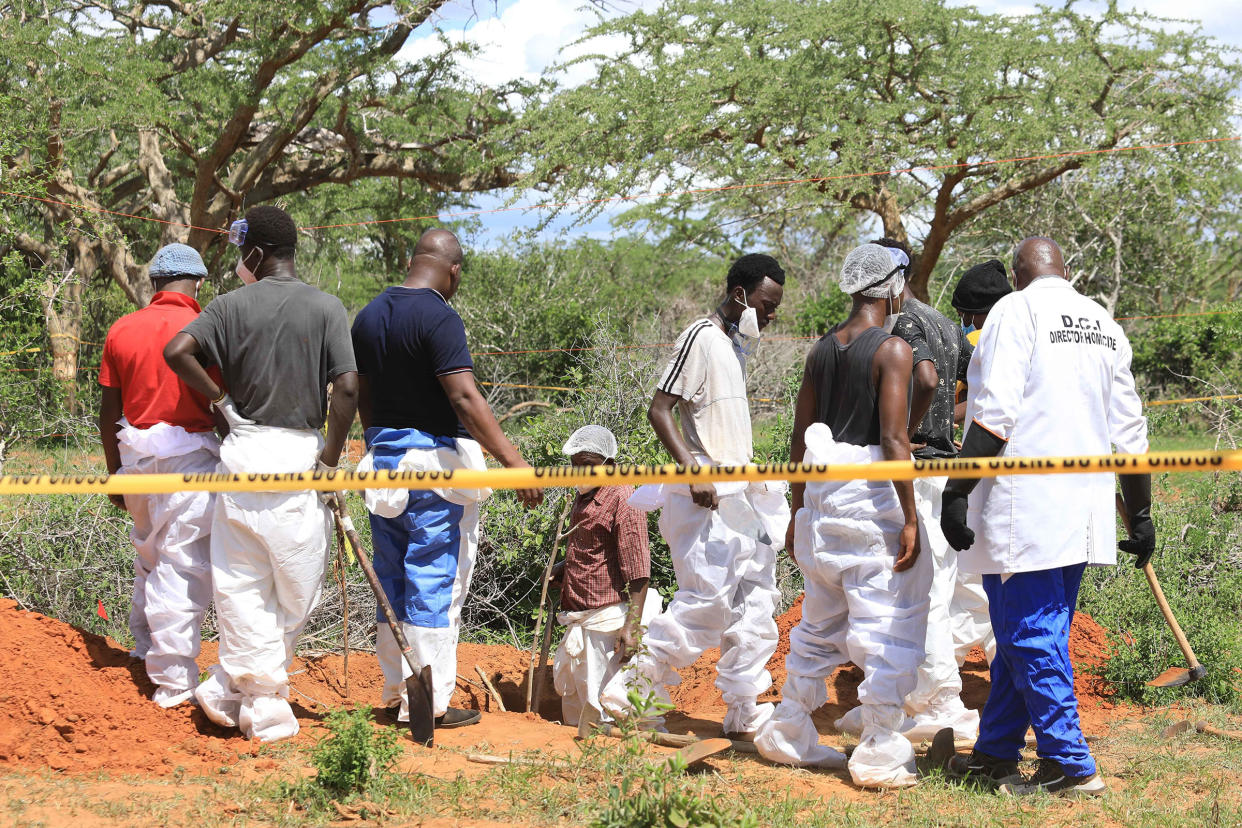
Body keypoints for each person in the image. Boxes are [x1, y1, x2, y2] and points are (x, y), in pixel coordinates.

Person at [937, 237, 1151, 796]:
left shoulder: (1015, 309)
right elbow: (1129, 430)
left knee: (1029, 634)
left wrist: (957, 489)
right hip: (1081, 512)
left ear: (1016, 274)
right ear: (1067, 269)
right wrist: (1142, 513)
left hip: (1023, 509)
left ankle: (1070, 764)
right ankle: (994, 755)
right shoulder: (1102, 321)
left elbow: (995, 412)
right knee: (1025, 633)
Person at [164, 205, 358, 742]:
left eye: (240, 252)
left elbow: (176, 350)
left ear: (258, 251)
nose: (236, 263)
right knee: (296, 588)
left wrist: (222, 401)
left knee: (241, 582)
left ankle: (231, 685)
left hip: (242, 454)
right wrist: (330, 463)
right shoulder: (327, 307)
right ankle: (265, 704)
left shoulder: (227, 307)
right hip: (297, 459)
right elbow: (345, 389)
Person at [350, 228, 542, 730]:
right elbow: (463, 397)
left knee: (391, 581)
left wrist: (375, 444)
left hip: (384, 467)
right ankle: (428, 704)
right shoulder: (440, 316)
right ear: (453, 270)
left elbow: (361, 395)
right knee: (436, 580)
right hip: (435, 470)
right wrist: (514, 463)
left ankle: (398, 691)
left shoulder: (368, 317)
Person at [755, 242, 930, 788]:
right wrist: (910, 517)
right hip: (869, 503)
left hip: (824, 502)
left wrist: (797, 510)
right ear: (894, 287)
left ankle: (788, 728)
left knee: (819, 621)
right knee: (885, 624)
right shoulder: (892, 350)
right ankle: (878, 747)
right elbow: (894, 439)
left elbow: (798, 438)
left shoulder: (820, 350)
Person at [600, 253, 790, 739]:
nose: (771, 314)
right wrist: (692, 470)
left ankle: (744, 707)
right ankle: (632, 691)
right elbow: (660, 408)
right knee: (707, 599)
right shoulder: (700, 336)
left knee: (756, 596)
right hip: (706, 494)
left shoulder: (732, 346)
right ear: (741, 295)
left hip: (738, 496)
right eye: (767, 304)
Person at [835, 238, 987, 742]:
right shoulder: (945, 322)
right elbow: (971, 384)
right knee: (935, 588)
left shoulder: (904, 325)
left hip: (918, 472)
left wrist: (907, 428)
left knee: (921, 597)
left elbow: (924, 379)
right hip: (945, 470)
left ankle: (939, 703)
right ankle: (907, 698)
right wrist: (949, 420)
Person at [98, 243, 222, 708]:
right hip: (190, 460)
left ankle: (145, 649)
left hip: (135, 459)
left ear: (153, 284)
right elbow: (221, 401)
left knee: (148, 553)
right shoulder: (206, 328)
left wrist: (115, 474)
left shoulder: (122, 329)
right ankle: (171, 682)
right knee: (181, 564)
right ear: (198, 285)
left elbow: (109, 411)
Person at [550, 425, 657, 727]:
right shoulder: (584, 496)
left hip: (606, 619)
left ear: (608, 466)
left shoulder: (625, 499)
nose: (580, 473)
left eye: (588, 467)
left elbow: (638, 570)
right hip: (578, 614)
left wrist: (632, 626)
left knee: (601, 706)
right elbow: (592, 545)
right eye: (575, 466)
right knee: (576, 700)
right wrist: (565, 567)